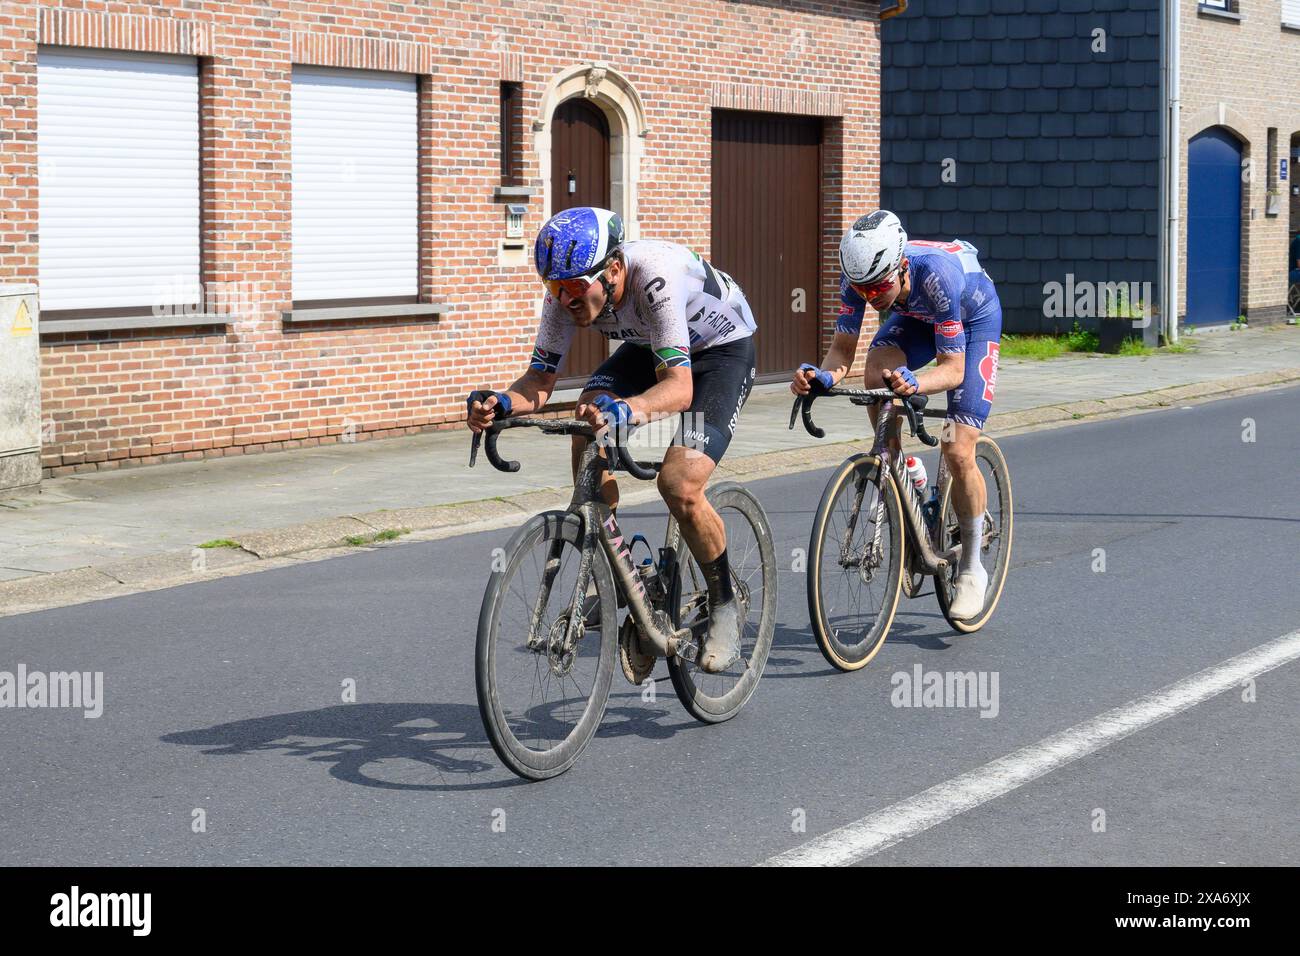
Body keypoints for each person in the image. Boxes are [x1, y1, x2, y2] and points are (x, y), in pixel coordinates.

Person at [466, 207, 758, 673]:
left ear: (614, 268)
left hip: (719, 353)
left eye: (575, 288)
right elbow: (539, 384)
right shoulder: (567, 292)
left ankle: (724, 604)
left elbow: (680, 390)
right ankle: (619, 570)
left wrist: (629, 411)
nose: (565, 300)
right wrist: (499, 403)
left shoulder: (654, 279)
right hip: (653, 348)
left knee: (679, 485)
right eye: (553, 290)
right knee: (588, 422)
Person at [791, 210, 1003, 620]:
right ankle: (902, 465)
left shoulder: (936, 275)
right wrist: (822, 376)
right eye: (863, 291)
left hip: (972, 320)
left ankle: (972, 567)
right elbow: (842, 352)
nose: (871, 298)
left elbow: (953, 368)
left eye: (879, 288)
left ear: (901, 265)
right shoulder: (859, 279)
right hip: (918, 318)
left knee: (958, 451)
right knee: (876, 372)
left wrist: (916, 384)